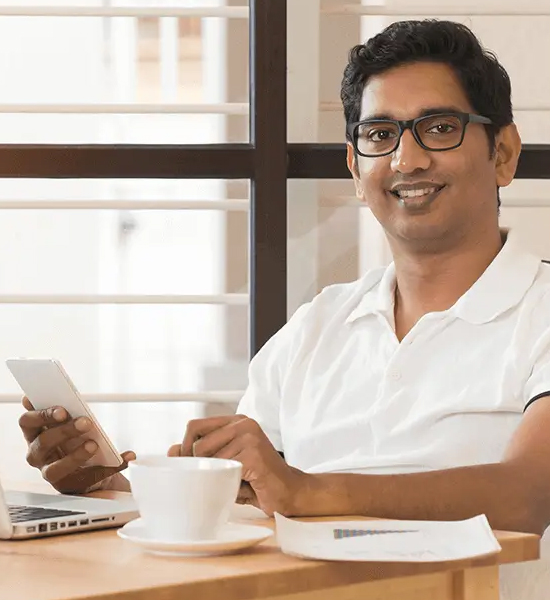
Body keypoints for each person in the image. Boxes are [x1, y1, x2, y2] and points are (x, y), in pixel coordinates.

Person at [18, 18, 550, 597]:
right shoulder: (318, 326)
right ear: (355, 168)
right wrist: (107, 487)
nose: (407, 159)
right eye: (379, 135)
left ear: (503, 153)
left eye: (439, 128)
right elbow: (249, 500)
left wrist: (307, 490)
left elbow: (528, 495)